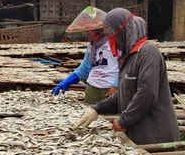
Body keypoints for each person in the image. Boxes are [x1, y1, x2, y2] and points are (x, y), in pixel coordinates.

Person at [73, 8, 180, 145]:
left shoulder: (147, 53)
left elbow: (147, 94)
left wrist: (123, 120)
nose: (110, 40)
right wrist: (97, 109)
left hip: (155, 135)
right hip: (138, 135)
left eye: (110, 35)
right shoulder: (127, 57)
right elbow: (123, 93)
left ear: (121, 32)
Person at [51, 6, 119, 103]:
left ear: (99, 29)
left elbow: (127, 66)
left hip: (110, 89)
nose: (87, 32)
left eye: (89, 29)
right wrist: (68, 80)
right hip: (92, 88)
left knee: (110, 117)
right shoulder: (92, 46)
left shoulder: (116, 42)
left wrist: (116, 85)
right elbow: (85, 67)